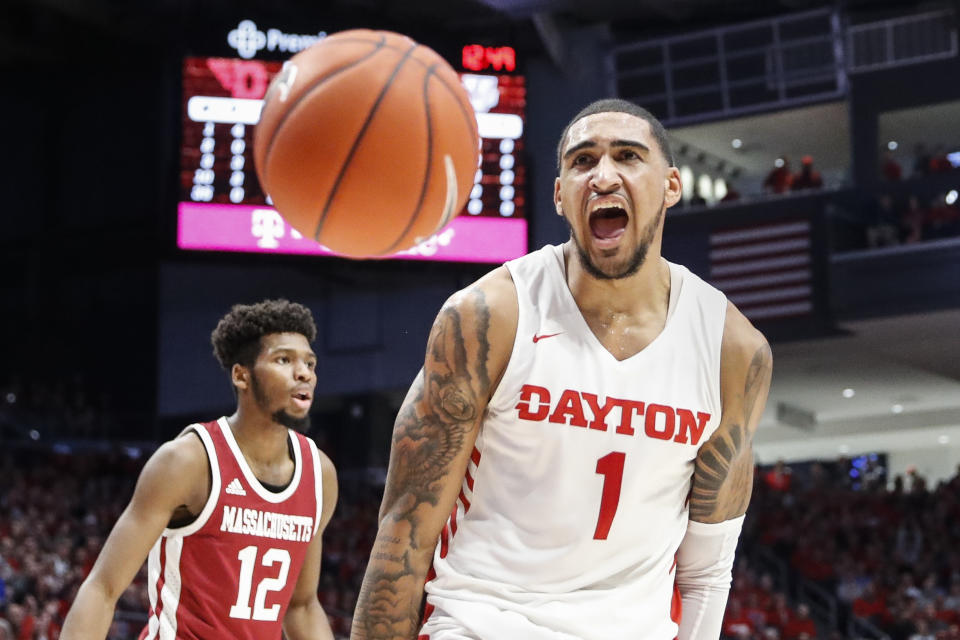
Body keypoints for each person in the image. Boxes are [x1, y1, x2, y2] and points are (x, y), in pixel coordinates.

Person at [351, 99, 772, 640]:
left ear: (670, 186)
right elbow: (405, 530)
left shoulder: (731, 351)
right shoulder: (489, 317)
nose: (602, 176)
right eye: (582, 161)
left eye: (627, 156)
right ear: (559, 195)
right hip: (483, 623)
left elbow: (707, 572)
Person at [61, 299, 338, 640]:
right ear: (242, 375)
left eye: (310, 363)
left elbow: (302, 607)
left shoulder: (319, 475)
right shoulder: (188, 461)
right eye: (284, 360)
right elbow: (102, 588)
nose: (304, 372)